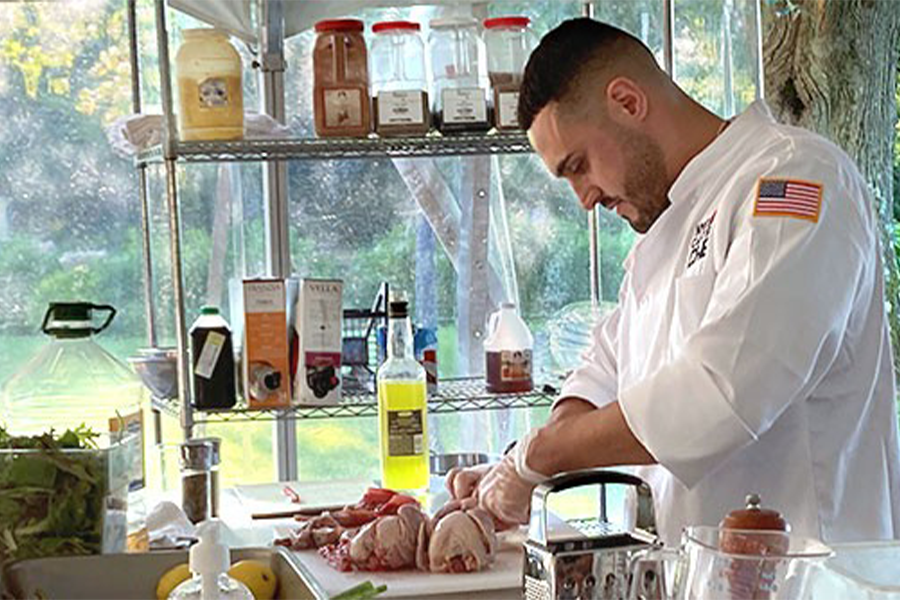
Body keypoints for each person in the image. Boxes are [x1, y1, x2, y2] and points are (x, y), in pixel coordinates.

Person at [447, 18, 900, 546]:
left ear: (627, 101)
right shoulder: (663, 231)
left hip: (812, 574)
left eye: (579, 166)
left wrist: (536, 458)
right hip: (710, 572)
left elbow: (723, 393)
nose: (584, 199)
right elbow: (602, 371)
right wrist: (524, 467)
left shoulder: (794, 179)